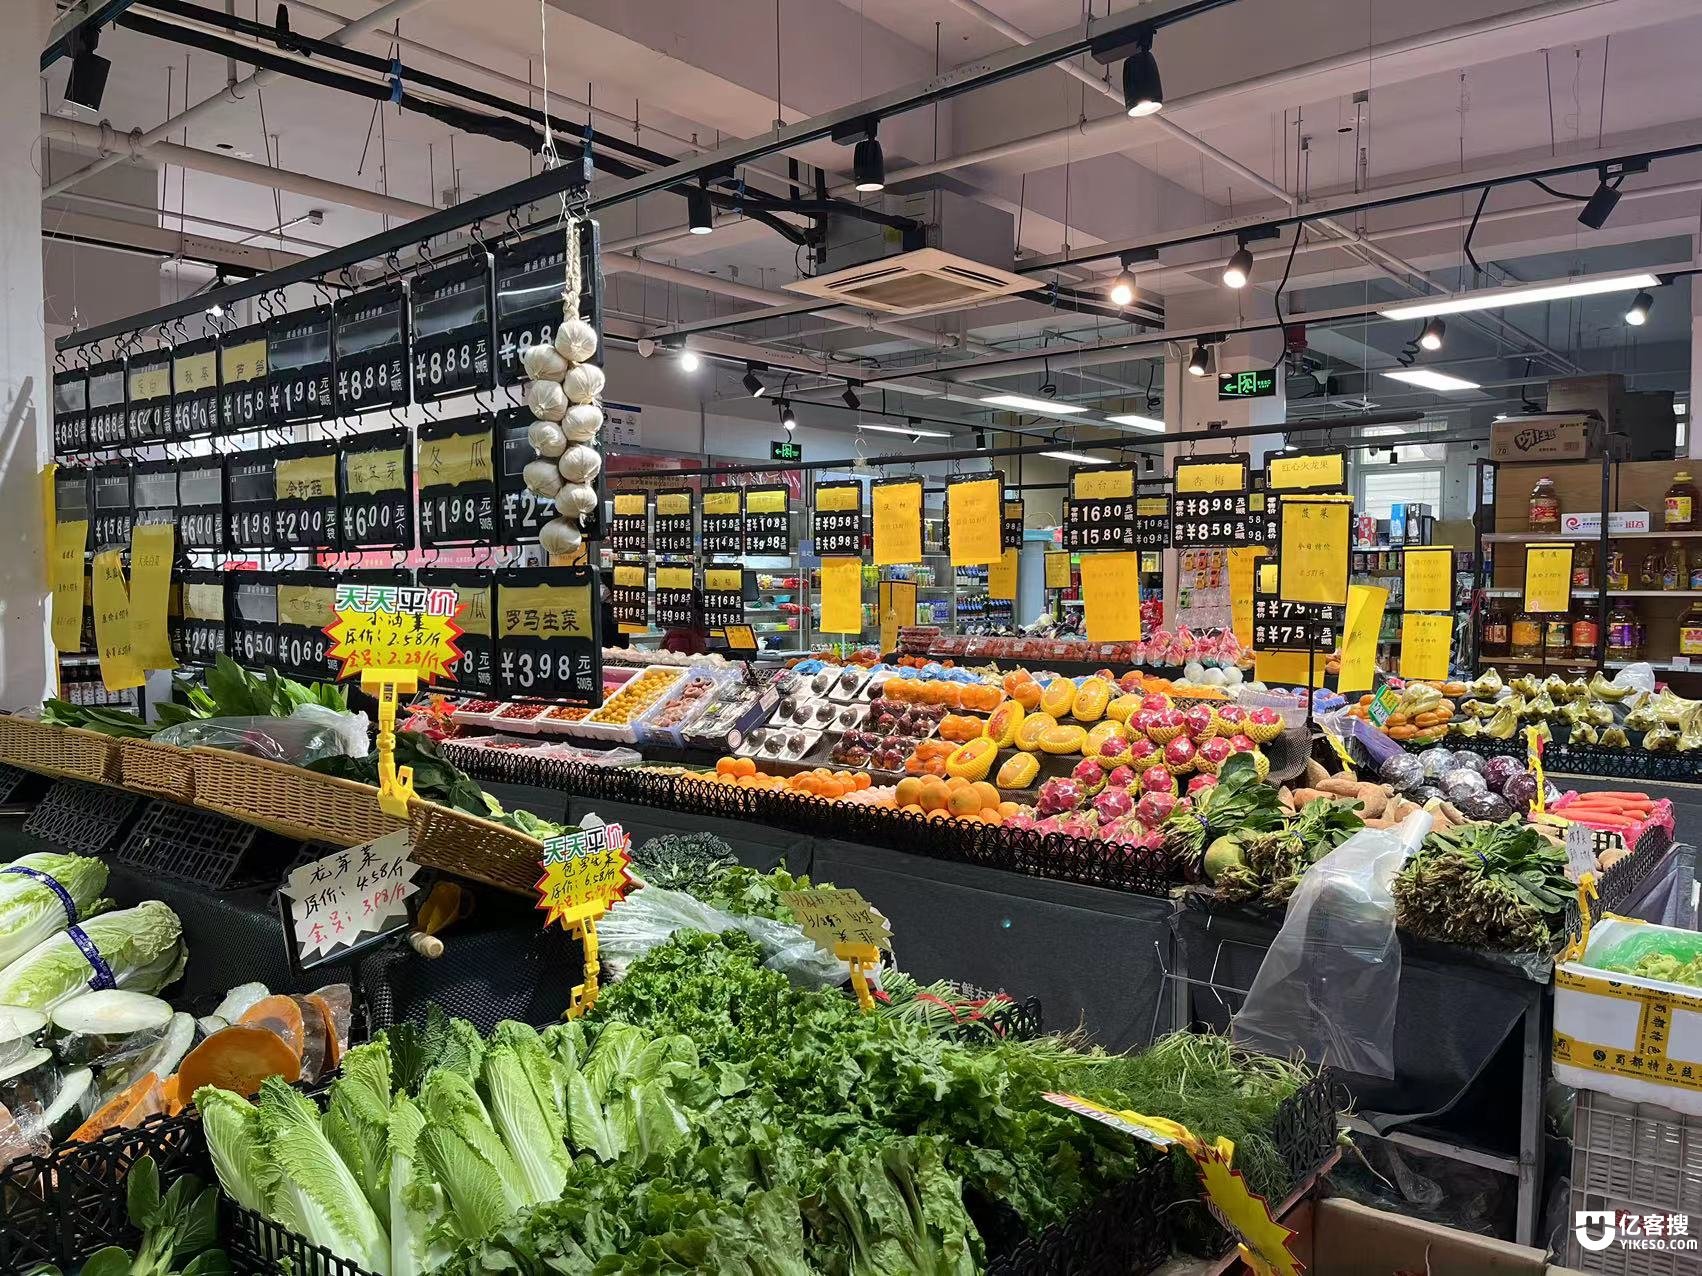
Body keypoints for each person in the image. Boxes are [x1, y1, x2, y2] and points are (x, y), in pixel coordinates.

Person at [598, 568, 630, 649]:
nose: (600, 588)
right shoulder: (600, 607)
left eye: (602, 585)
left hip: (615, 650)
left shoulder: (620, 608)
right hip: (608, 650)